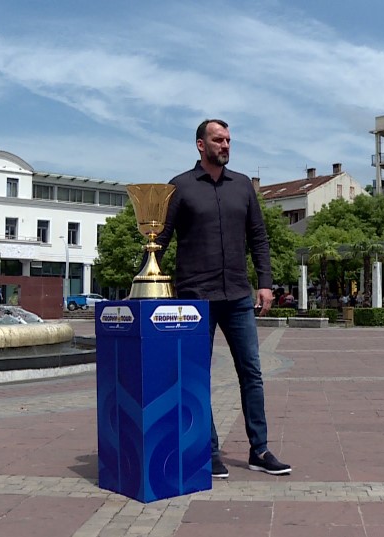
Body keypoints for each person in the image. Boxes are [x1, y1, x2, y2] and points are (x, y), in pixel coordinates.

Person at [156, 118, 291, 479]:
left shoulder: (243, 186)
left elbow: (259, 239)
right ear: (201, 145)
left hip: (237, 295)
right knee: (199, 376)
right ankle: (209, 449)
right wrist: (142, 282)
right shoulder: (180, 187)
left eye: (229, 140)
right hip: (195, 298)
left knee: (252, 372)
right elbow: (161, 239)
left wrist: (265, 283)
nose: (226, 145)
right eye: (218, 140)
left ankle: (259, 449)